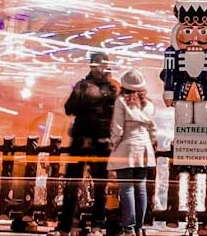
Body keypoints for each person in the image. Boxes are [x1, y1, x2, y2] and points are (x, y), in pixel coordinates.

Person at [53, 51, 118, 236]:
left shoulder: (91, 87)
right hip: (91, 140)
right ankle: (72, 226)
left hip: (93, 141)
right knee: (80, 185)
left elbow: (70, 108)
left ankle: (87, 226)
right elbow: (69, 108)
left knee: (94, 186)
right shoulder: (108, 88)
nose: (100, 68)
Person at [109, 70, 156, 236]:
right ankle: (139, 227)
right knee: (141, 188)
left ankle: (128, 227)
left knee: (127, 189)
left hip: (126, 149)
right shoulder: (149, 105)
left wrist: (112, 145)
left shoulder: (121, 102)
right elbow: (153, 129)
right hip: (144, 149)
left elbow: (117, 128)